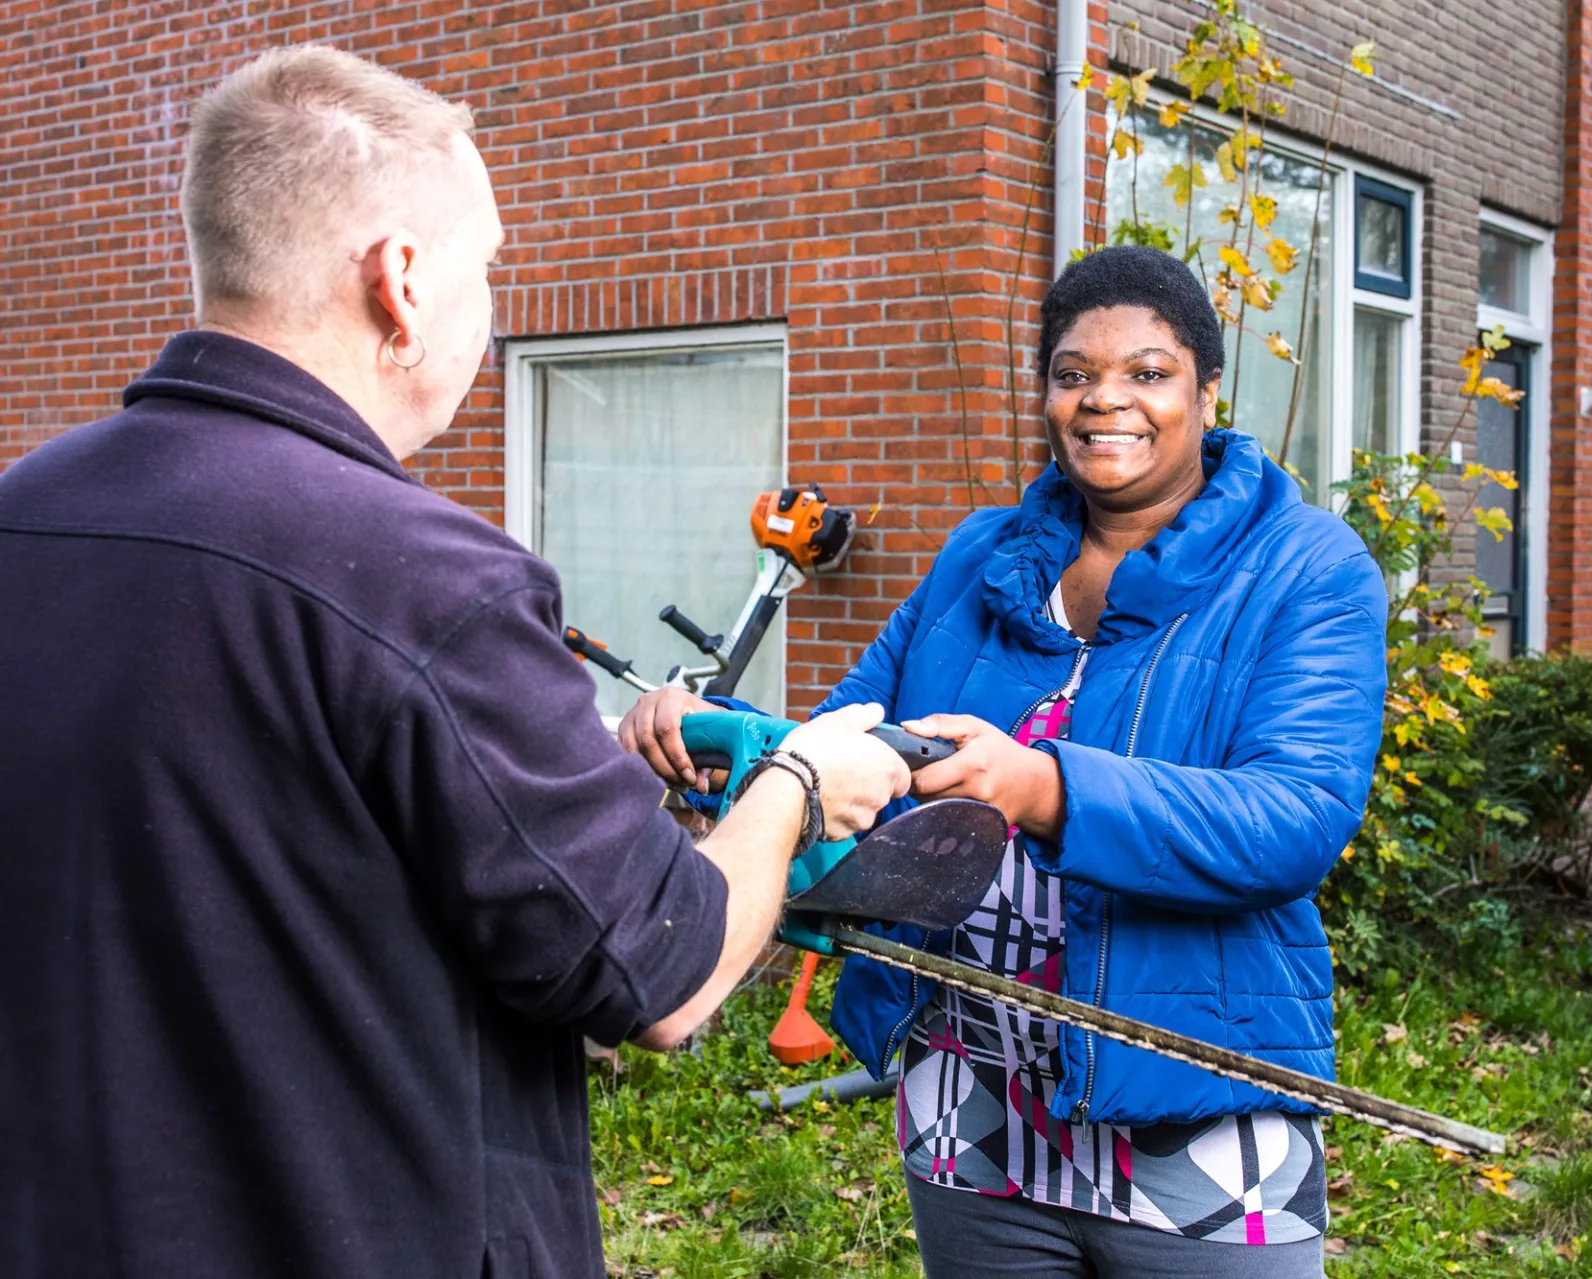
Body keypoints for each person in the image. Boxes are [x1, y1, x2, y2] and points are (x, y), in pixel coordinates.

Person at [0, 46, 909, 1279]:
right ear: (403, 283)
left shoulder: (27, 516)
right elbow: (663, 973)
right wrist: (799, 779)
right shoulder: (429, 575)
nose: (490, 305)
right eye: (487, 268)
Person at [624, 245, 1388, 1277]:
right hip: (971, 1107)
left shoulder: (1308, 568)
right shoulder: (982, 557)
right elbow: (839, 744)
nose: (1103, 400)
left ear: (1210, 389)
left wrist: (1042, 785)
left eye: (1147, 373)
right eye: (1073, 373)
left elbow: (1292, 820)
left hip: (1192, 1120)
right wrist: (710, 738)